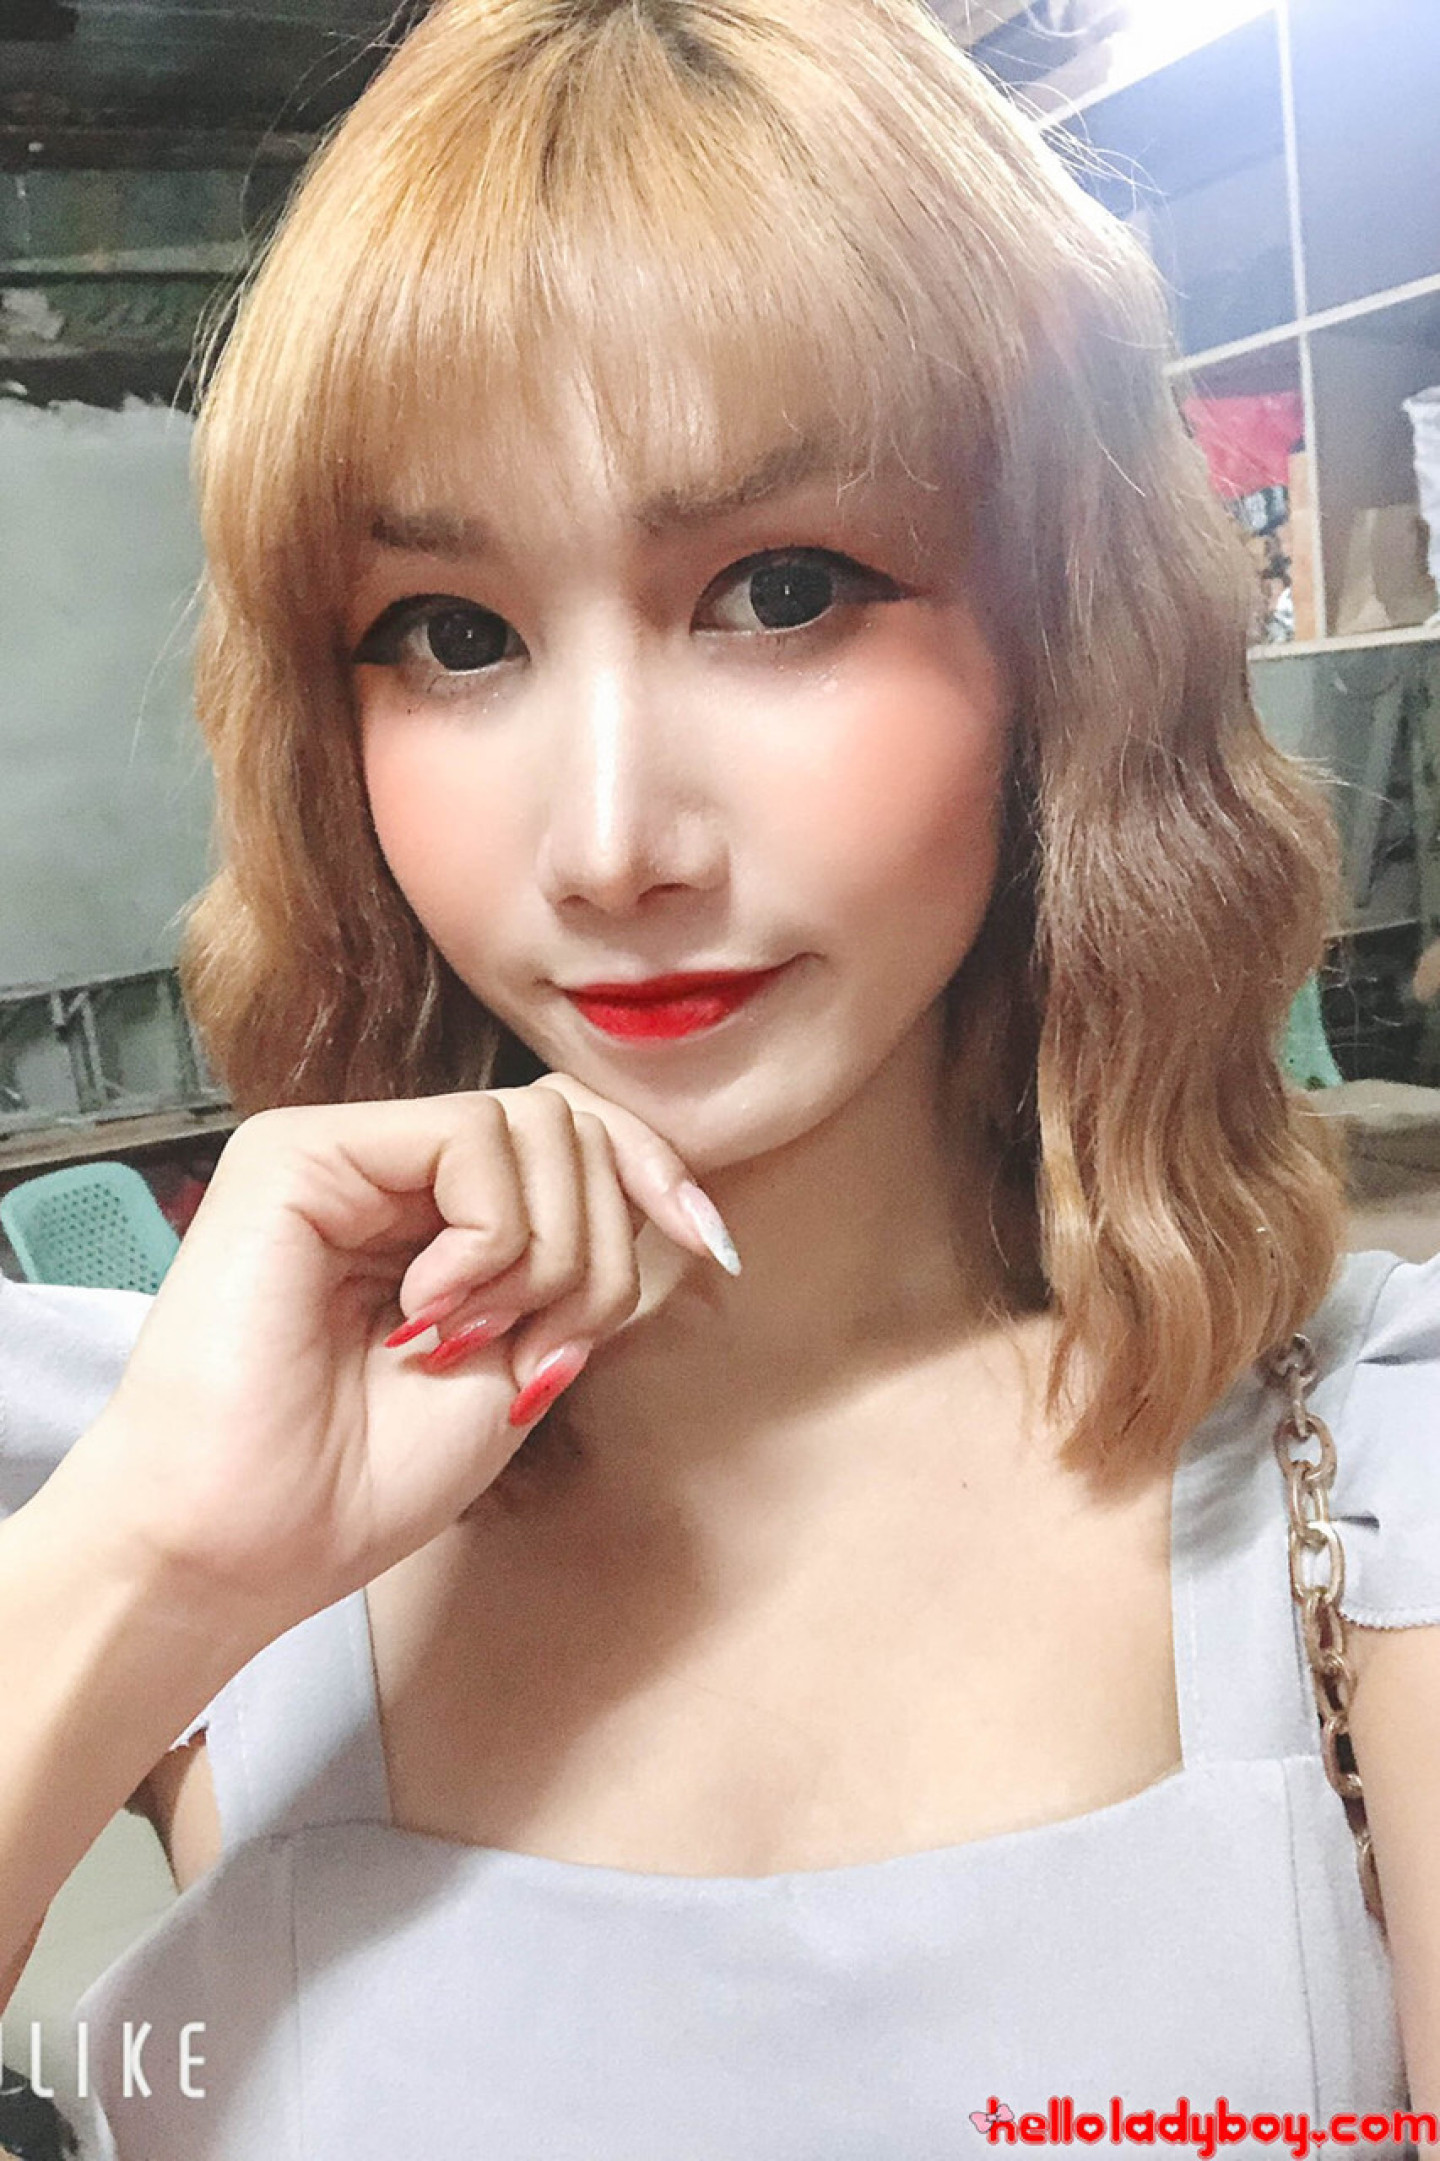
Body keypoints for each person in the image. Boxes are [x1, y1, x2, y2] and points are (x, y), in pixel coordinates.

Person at [0, 0, 1437, 2148]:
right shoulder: (155, 1472)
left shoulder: (1366, 1483)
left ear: (1069, 640)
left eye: (782, 590)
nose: (609, 846)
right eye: (452, 632)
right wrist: (144, 1565)